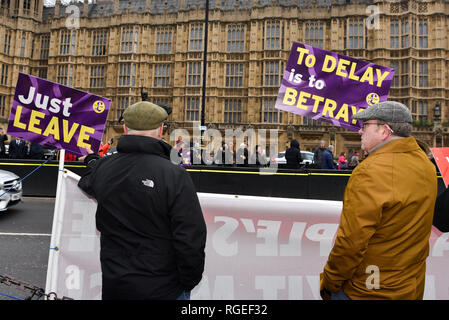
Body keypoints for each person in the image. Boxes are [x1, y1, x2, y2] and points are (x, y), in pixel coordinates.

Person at [77, 101, 207, 300]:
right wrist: (187, 281)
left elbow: (88, 180)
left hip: (116, 285)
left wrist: (92, 160)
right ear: (161, 129)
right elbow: (190, 237)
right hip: (164, 288)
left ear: (125, 128)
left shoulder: (104, 169)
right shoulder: (174, 174)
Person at [320, 101, 438, 300]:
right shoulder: (425, 165)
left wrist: (330, 281)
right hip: (410, 287)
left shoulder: (369, 171)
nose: (360, 132)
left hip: (369, 291)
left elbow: (351, 243)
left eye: (365, 126)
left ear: (385, 131)